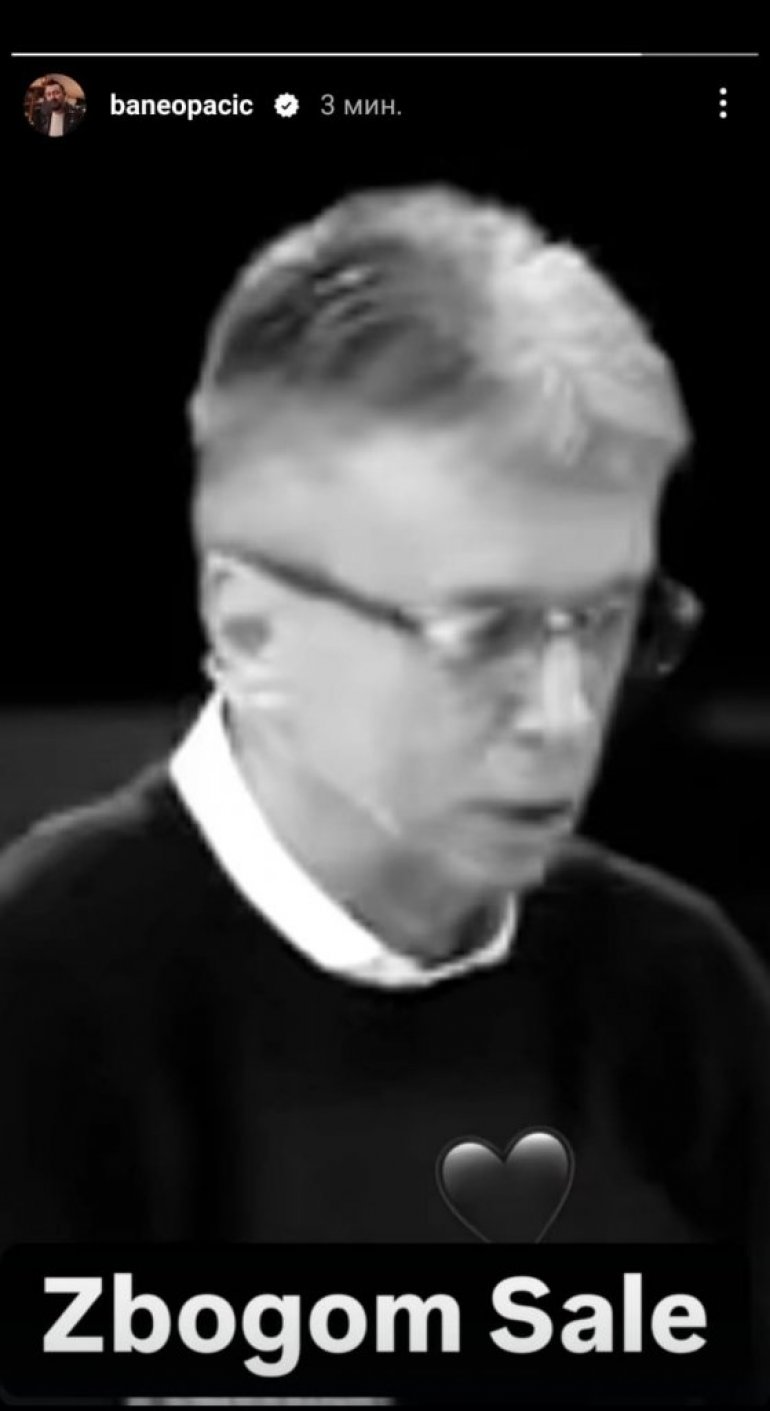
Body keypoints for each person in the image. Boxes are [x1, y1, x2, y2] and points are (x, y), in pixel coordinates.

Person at [1, 186, 768, 1397]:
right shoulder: (40, 989)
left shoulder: (677, 983)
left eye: (606, 619)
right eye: (480, 629)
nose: (564, 715)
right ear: (252, 629)